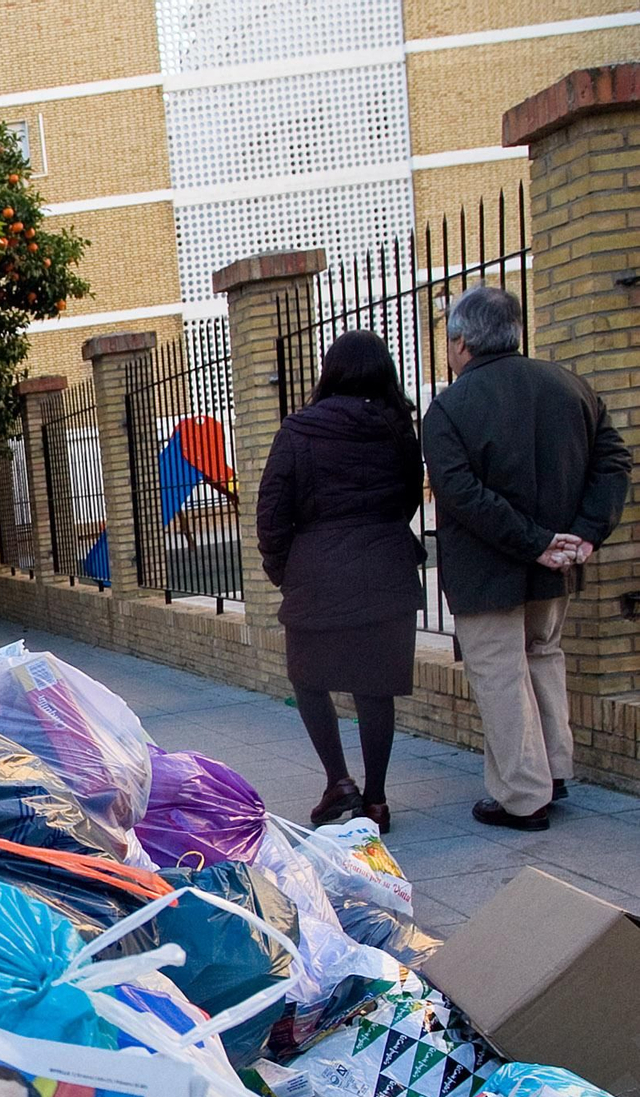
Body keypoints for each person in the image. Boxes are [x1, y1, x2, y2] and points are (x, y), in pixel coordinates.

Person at [425, 287, 631, 831]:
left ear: (461, 341)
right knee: (543, 656)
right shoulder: (571, 387)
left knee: (500, 676)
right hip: (555, 567)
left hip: (488, 570)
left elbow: (460, 493)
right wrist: (583, 536)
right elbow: (614, 463)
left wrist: (537, 540)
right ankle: (553, 770)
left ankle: (523, 795)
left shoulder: (449, 408)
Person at [257, 330, 425, 832]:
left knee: (308, 680)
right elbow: (409, 500)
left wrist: (287, 571)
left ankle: (339, 782)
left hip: (318, 575)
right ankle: (375, 800)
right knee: (376, 690)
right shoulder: (399, 430)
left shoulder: (298, 431)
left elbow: (271, 514)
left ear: (330, 372)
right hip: (387, 572)